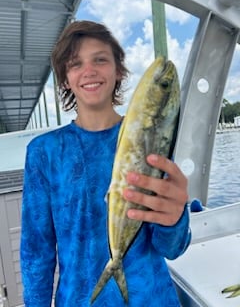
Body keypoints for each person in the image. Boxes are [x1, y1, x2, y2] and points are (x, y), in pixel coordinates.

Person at [20, 20, 191, 307]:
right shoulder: (43, 153)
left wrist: (176, 219)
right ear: (64, 78)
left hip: (152, 298)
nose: (89, 71)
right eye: (75, 64)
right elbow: (37, 254)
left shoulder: (149, 140)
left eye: (100, 59)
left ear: (118, 70)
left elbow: (171, 248)